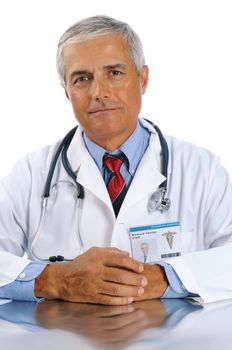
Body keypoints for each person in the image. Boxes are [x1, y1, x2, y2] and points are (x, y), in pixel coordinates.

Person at [0, 15, 232, 305]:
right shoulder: (31, 174)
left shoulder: (202, 170)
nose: (100, 93)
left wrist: (165, 278)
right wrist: (53, 280)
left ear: (143, 79)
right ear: (67, 92)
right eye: (82, 79)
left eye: (114, 73)